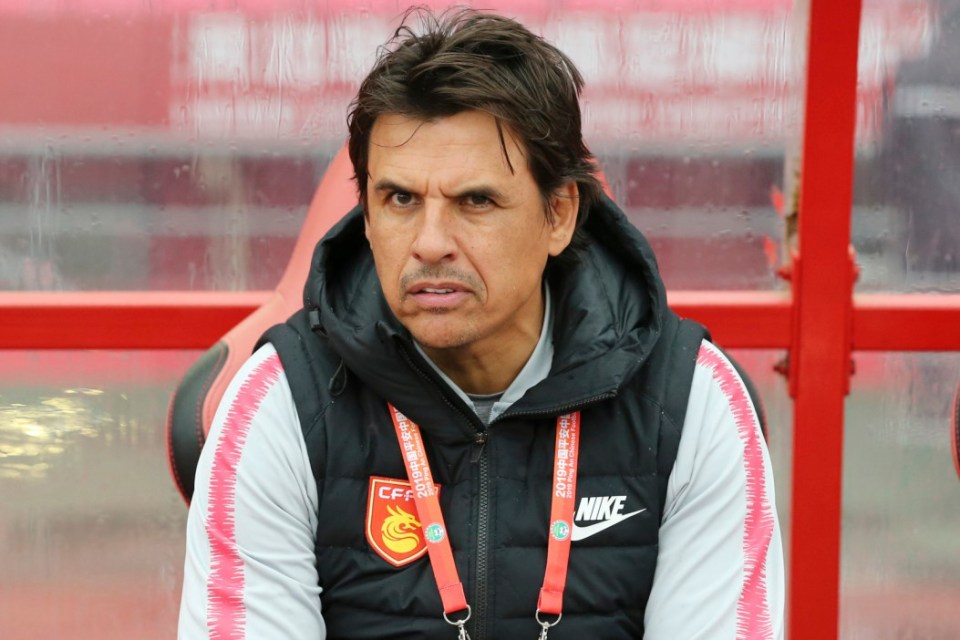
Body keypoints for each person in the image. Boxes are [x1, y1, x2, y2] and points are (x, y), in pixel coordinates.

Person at [178, 8, 784, 639]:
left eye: (476, 201)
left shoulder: (692, 403)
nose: (430, 243)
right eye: (400, 199)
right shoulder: (278, 403)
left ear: (558, 215)